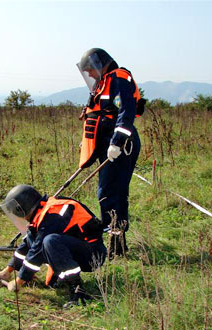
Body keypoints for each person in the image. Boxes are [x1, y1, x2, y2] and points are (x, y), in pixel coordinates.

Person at [0, 184, 107, 308]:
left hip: (93, 255)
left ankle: (78, 291)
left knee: (50, 241)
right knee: (34, 237)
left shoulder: (52, 215)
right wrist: (7, 271)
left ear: (23, 208)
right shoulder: (42, 213)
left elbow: (36, 251)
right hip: (78, 248)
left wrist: (19, 281)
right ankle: (58, 279)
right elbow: (27, 245)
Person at [77, 48, 145, 256]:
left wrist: (117, 142)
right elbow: (100, 113)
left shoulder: (119, 78)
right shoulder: (102, 83)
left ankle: (115, 241)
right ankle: (118, 243)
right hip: (106, 144)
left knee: (109, 192)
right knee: (113, 191)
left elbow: (127, 110)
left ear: (100, 64)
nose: (88, 75)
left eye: (90, 70)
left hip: (121, 146)